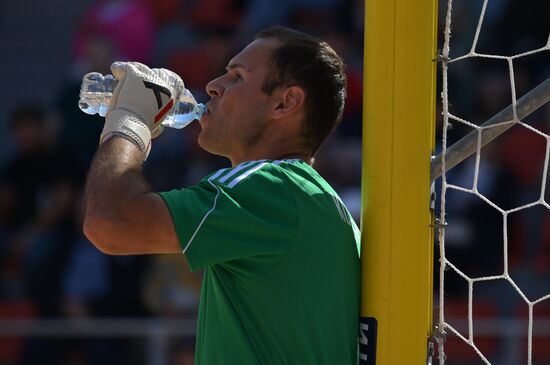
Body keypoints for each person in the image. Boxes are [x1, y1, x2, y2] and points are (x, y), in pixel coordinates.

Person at [83, 26, 360, 364]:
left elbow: (110, 222)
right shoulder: (308, 195)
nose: (213, 85)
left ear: (285, 103)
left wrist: (129, 121)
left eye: (237, 76)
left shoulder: (269, 187)